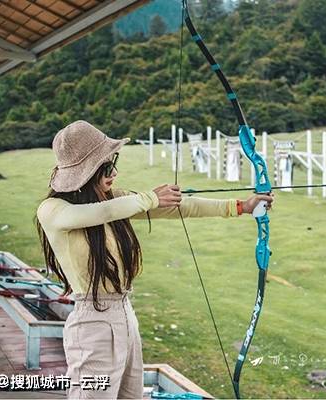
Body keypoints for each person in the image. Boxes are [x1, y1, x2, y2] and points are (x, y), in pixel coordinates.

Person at [35, 120, 273, 399]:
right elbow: (98, 214)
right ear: (87, 172)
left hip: (124, 315)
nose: (114, 173)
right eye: (106, 167)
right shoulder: (52, 209)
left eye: (113, 164)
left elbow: (180, 206)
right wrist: (150, 198)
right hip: (92, 323)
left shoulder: (113, 200)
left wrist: (241, 206)